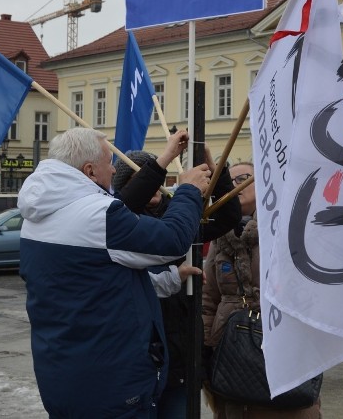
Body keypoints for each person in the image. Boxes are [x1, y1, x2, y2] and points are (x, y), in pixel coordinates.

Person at [18, 127, 212, 418]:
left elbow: (100, 283)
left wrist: (171, 279)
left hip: (64, 375)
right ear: (90, 171)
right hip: (111, 384)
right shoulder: (99, 215)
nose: (113, 168)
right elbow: (172, 240)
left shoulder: (37, 214)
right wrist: (188, 191)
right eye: (109, 161)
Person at [113, 137, 242, 419]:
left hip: (181, 349)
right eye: (141, 178)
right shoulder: (119, 222)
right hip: (139, 348)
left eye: (150, 173)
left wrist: (211, 166)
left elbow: (229, 216)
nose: (152, 186)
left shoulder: (179, 213)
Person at [201, 162, 323, 419]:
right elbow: (209, 298)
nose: (235, 185)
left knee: (286, 406)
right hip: (231, 348)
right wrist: (206, 347)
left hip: (279, 340)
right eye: (229, 180)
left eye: (243, 178)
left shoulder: (286, 229)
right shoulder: (218, 236)